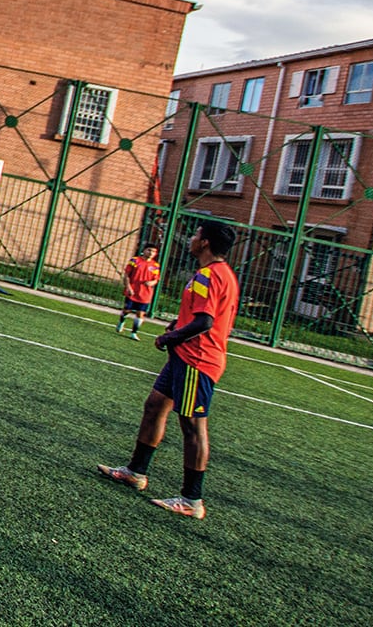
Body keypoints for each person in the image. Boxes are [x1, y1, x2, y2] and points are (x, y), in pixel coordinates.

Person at [96, 219, 240, 520]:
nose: (192, 238)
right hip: (184, 355)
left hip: (197, 360)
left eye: (197, 234)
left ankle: (191, 499)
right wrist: (178, 327)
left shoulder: (210, 275)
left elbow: (205, 322)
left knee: (192, 426)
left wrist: (168, 336)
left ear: (206, 243)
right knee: (154, 406)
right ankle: (136, 472)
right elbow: (200, 316)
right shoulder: (215, 274)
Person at [116, 245, 163, 337]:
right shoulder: (135, 260)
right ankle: (121, 321)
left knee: (140, 313)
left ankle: (134, 333)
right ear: (144, 250)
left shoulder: (155, 265)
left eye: (153, 251)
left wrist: (151, 282)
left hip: (145, 294)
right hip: (133, 291)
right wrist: (128, 287)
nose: (151, 253)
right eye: (149, 250)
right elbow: (127, 275)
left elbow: (156, 279)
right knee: (127, 310)